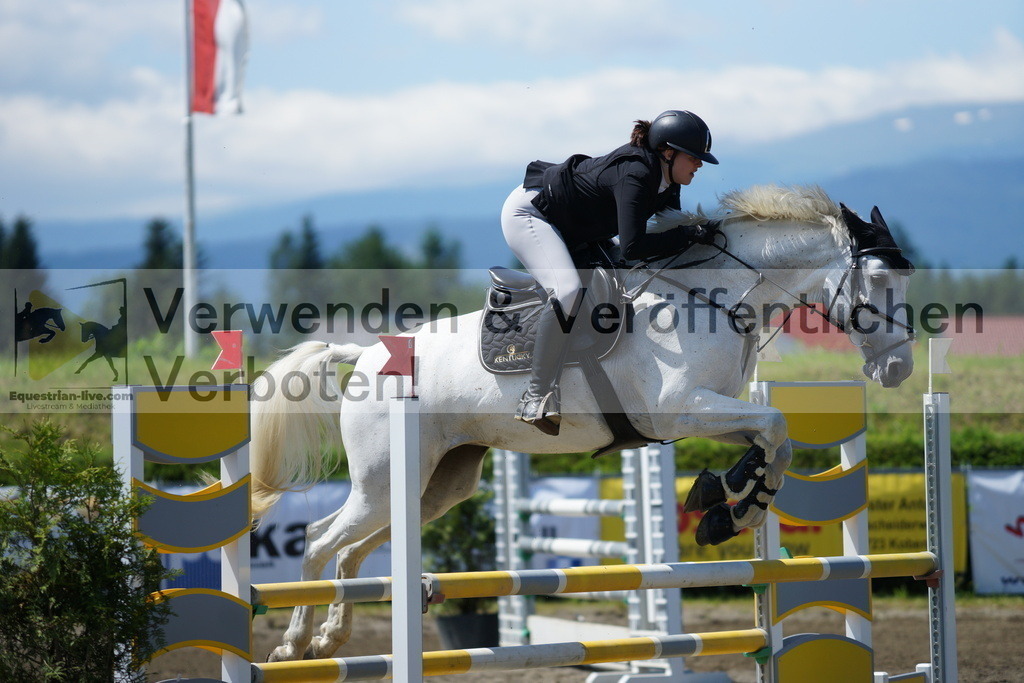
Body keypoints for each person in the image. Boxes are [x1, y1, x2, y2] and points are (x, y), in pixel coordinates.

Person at [501, 109, 720, 435]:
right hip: (533, 215)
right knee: (568, 291)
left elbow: (665, 241)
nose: (699, 164)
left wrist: (704, 232)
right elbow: (633, 247)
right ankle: (536, 397)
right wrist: (690, 234)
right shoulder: (635, 173)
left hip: (578, 228)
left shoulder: (667, 181)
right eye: (694, 157)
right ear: (668, 152)